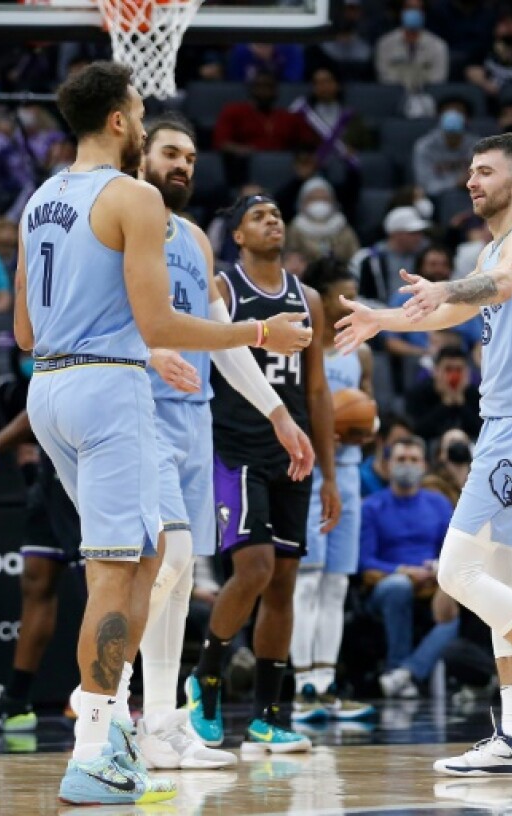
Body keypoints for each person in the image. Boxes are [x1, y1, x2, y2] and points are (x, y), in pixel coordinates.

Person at [14, 61, 311, 806]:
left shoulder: (39, 201)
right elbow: (158, 325)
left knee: (148, 557)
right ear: (118, 120)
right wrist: (261, 330)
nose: (145, 128)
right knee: (121, 570)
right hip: (108, 390)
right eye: (142, 115)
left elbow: (23, 331)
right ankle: (95, 746)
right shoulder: (135, 197)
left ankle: (112, 717)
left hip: (48, 388)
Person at [334, 132, 512, 775]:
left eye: (484, 171)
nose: (471, 181)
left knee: (457, 572)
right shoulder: (494, 247)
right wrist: (383, 318)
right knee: (499, 581)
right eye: (469, 171)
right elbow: (454, 311)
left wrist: (448, 287)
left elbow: (500, 286)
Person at [133, 115, 311, 771]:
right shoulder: (123, 221)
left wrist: (279, 415)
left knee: (182, 577)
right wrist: (146, 354)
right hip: (141, 410)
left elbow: (223, 344)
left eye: (189, 155)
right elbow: (100, 315)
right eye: (169, 153)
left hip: (196, 418)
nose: (182, 165)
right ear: (141, 156)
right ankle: (111, 699)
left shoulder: (193, 241)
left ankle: (162, 722)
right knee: (171, 560)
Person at [183, 194, 341, 756]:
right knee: (254, 568)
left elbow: (317, 391)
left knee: (283, 584)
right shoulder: (223, 290)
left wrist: (329, 475)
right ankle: (205, 679)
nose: (272, 220)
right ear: (238, 236)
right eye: (258, 216)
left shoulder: (309, 299)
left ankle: (268, 716)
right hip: (236, 447)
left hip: (292, 453)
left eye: (276, 214)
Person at [0, 416, 80, 734]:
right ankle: (16, 701)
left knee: (101, 588)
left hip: (85, 473)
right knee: (36, 580)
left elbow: (38, 411)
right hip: (50, 478)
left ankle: (114, 698)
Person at [290, 257, 376, 723]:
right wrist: (323, 431)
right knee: (307, 580)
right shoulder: (300, 346)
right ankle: (301, 685)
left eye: (355, 297)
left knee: (337, 582)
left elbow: (370, 414)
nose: (351, 305)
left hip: (348, 472)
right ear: (320, 299)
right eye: (344, 297)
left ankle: (325, 685)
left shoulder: (359, 352)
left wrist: (362, 427)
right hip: (308, 470)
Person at [359, 436, 460, 699]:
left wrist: (437, 569)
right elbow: (364, 561)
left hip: (434, 582)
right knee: (399, 586)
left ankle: (405, 674)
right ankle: (397, 665)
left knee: (460, 600)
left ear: (424, 465)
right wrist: (404, 571)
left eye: (414, 459)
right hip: (387, 584)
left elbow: (453, 551)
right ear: (387, 465)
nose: (408, 465)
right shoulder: (371, 506)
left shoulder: (439, 504)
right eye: (401, 459)